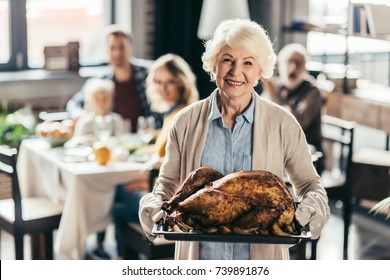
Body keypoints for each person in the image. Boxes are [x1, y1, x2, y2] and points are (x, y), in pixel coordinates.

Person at [139, 19, 330, 260]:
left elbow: (311, 185)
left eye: (248, 62)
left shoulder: (284, 123)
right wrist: (154, 202)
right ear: (213, 65)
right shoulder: (185, 121)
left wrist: (313, 206)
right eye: (227, 59)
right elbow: (167, 185)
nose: (236, 71)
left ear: (260, 71)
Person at [111, 53, 199, 259]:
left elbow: (185, 165)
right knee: (118, 202)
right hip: (160, 186)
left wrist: (148, 181)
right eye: (158, 82)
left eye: (170, 82)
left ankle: (126, 257)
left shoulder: (182, 115)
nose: (163, 88)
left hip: (171, 197)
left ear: (182, 84)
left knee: (116, 200)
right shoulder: (173, 113)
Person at [66, 24, 162, 133]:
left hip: (147, 135)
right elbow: (74, 103)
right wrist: (77, 113)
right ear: (107, 50)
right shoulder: (101, 79)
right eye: (113, 48)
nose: (117, 53)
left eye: (122, 47)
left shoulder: (148, 73)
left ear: (131, 48)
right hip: (114, 139)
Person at [262, 43, 324, 173]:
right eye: (289, 62)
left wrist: (275, 97)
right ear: (280, 65)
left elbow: (297, 123)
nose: (294, 67)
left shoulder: (312, 91)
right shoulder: (276, 86)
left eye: (299, 63)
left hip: (306, 158)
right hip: (277, 152)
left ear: (305, 68)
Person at [70, 78, 126, 143]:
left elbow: (123, 140)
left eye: (105, 99)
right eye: (97, 99)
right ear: (89, 101)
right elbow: (77, 142)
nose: (101, 103)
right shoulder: (85, 122)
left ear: (111, 100)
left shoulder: (117, 120)